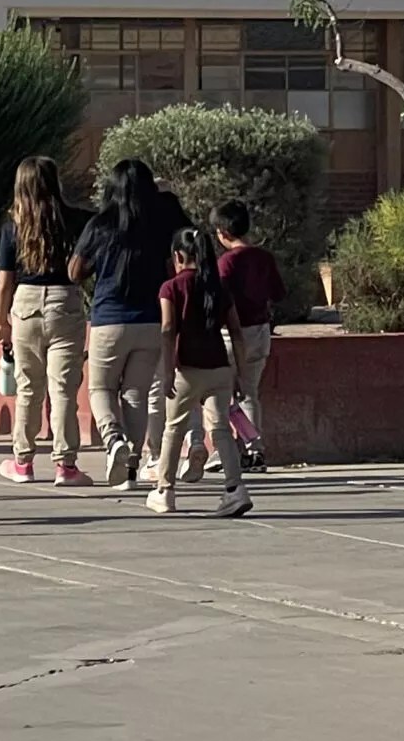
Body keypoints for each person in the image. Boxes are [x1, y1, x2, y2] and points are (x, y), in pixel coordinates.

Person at [71, 159, 183, 488]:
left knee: (101, 388)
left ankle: (113, 439)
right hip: (151, 320)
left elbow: (75, 271)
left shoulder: (101, 224)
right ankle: (131, 469)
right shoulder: (159, 225)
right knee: (135, 394)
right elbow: (172, 267)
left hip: (109, 318)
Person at [0, 155, 91, 487]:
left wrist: (1, 322)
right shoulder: (75, 221)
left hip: (25, 303)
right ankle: (66, 465)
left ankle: (23, 462)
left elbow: (5, 282)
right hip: (65, 300)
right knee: (63, 389)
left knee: (28, 387)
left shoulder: (12, 227)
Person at [148, 226, 253, 517]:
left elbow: (168, 329)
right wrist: (240, 372)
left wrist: (167, 370)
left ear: (178, 256)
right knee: (220, 428)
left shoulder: (171, 288)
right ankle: (235, 489)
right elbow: (236, 331)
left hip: (186, 368)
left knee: (173, 428)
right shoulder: (219, 287)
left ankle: (165, 491)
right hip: (219, 368)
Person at [211, 200, 284, 475]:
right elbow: (278, 292)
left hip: (231, 334)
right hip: (260, 331)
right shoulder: (264, 258)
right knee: (249, 393)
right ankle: (255, 450)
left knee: (221, 395)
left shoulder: (226, 263)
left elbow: (217, 298)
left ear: (222, 232)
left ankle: (225, 450)